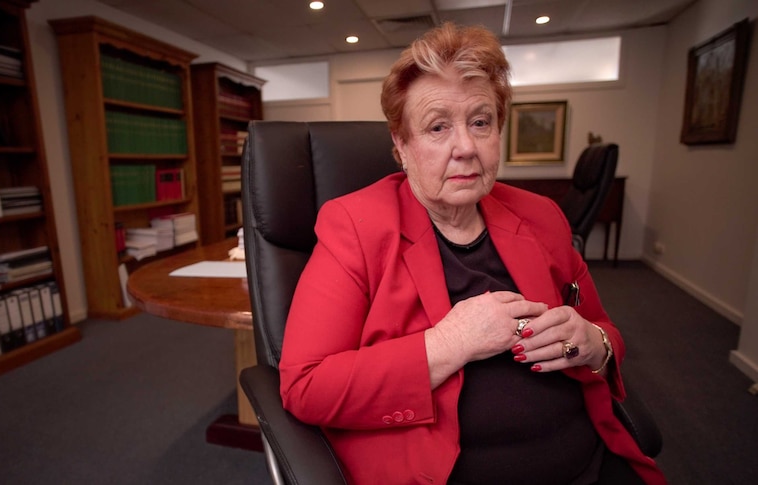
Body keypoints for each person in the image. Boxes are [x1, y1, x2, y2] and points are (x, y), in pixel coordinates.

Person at [277, 22, 667, 485]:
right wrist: (449, 342)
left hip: (588, 461)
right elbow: (306, 386)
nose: (465, 147)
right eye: (438, 127)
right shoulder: (355, 227)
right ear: (401, 146)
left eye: (480, 122)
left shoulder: (541, 217)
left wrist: (593, 345)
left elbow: (606, 332)